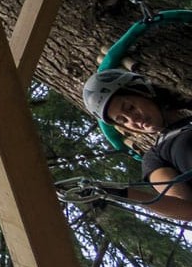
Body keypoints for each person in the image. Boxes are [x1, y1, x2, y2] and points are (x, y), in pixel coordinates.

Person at [82, 69, 192, 220]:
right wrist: (121, 193)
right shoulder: (156, 156)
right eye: (123, 120)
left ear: (144, 92)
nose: (132, 120)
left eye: (129, 108)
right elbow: (185, 208)